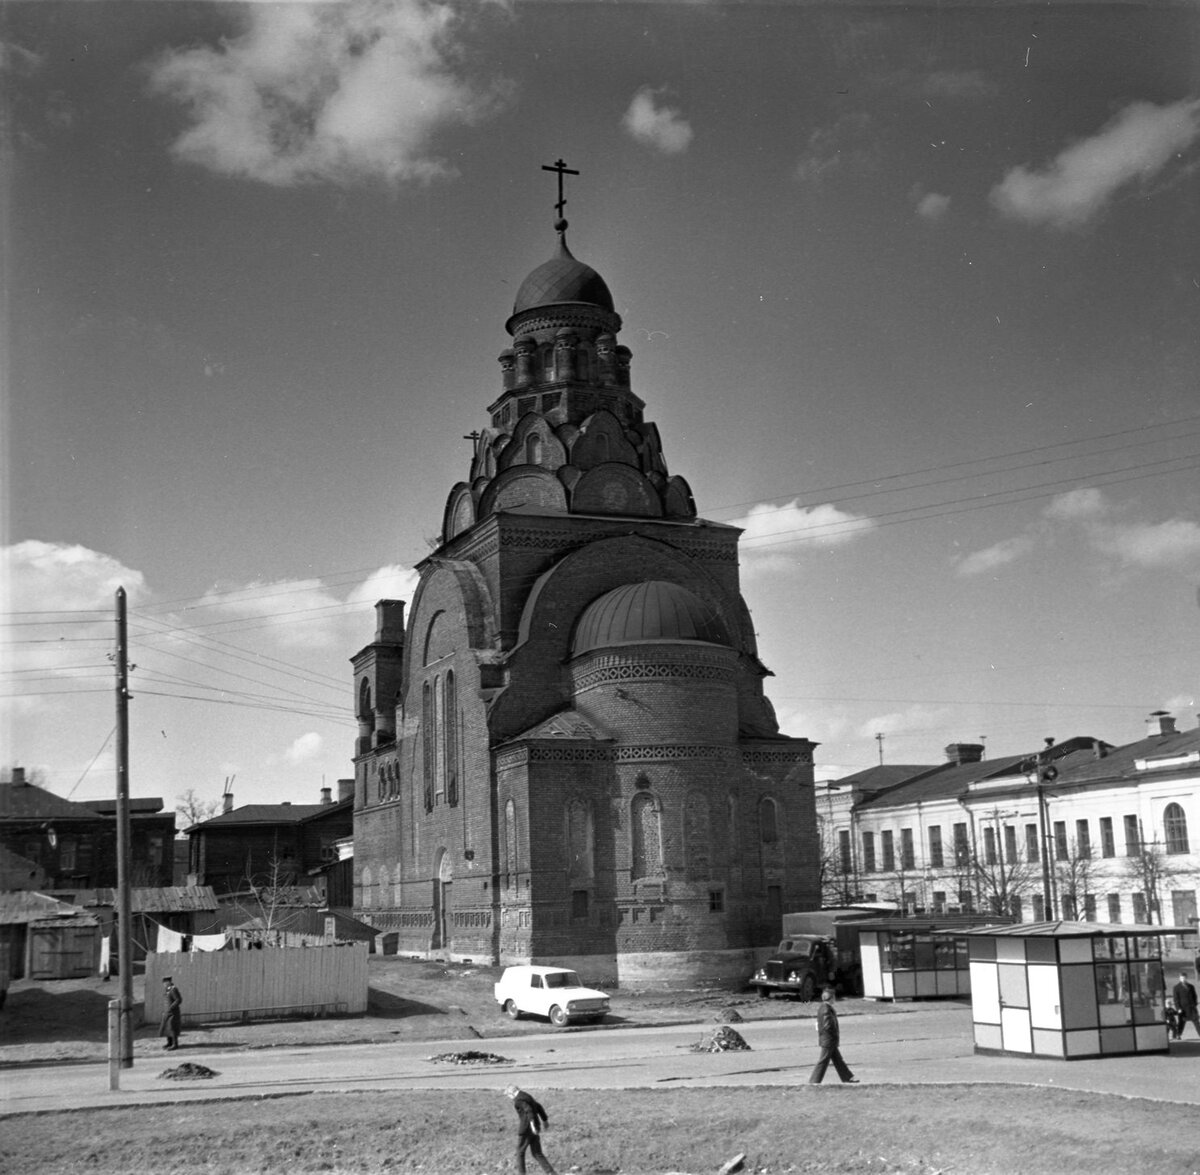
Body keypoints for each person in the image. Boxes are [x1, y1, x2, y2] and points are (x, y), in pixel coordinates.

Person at [808, 985, 859, 1085]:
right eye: (834, 997)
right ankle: (814, 1081)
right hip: (829, 1039)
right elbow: (828, 1025)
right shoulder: (826, 1009)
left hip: (828, 1039)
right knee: (823, 1060)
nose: (835, 999)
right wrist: (833, 1034)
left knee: (838, 1060)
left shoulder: (823, 1007)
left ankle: (847, 1077)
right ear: (830, 998)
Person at [504, 1084, 558, 1175]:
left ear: (512, 1093)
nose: (510, 1098)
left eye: (509, 1096)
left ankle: (522, 1173)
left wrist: (532, 1126)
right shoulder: (527, 1096)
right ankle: (550, 1172)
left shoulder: (518, 1100)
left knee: (520, 1151)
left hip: (527, 1129)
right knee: (537, 1152)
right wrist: (544, 1120)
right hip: (535, 1127)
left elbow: (528, 1110)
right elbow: (539, 1107)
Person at [1172, 972, 1200, 1039]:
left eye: (1184, 978)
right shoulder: (1176, 988)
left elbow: (1194, 996)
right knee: (1181, 1023)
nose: (1183, 979)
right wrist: (1178, 1008)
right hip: (1183, 1009)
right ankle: (1178, 1034)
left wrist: (1195, 1003)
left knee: (1196, 1022)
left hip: (1191, 1008)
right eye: (1182, 978)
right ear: (1179, 978)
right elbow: (1176, 999)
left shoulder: (1191, 986)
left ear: (1186, 978)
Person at [160, 976, 183, 1051]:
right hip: (167, 1013)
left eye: (165, 983)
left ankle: (174, 1044)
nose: (164, 984)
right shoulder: (167, 990)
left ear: (168, 982)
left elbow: (178, 1000)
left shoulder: (173, 989)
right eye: (164, 983)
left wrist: (171, 1007)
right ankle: (169, 1043)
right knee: (167, 1029)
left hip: (173, 1013)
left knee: (172, 1028)